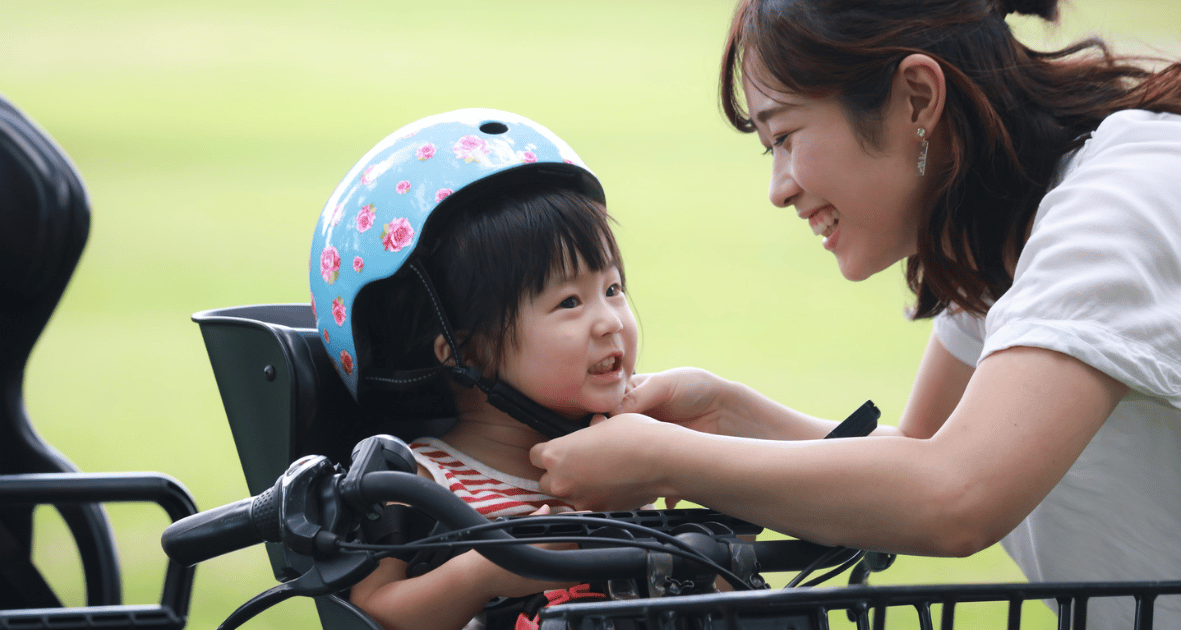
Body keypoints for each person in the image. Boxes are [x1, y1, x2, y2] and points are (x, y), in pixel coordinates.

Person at [529, 0, 1181, 626]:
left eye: (785, 135)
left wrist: (665, 459)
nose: (779, 188)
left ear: (918, 98)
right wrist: (726, 415)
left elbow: (956, 495)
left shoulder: (1116, 205)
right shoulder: (1005, 226)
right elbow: (919, 457)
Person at [307, 109, 640, 630]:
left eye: (614, 289)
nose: (609, 321)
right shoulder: (418, 483)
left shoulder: (639, 454)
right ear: (466, 352)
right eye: (570, 301)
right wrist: (491, 568)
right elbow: (372, 613)